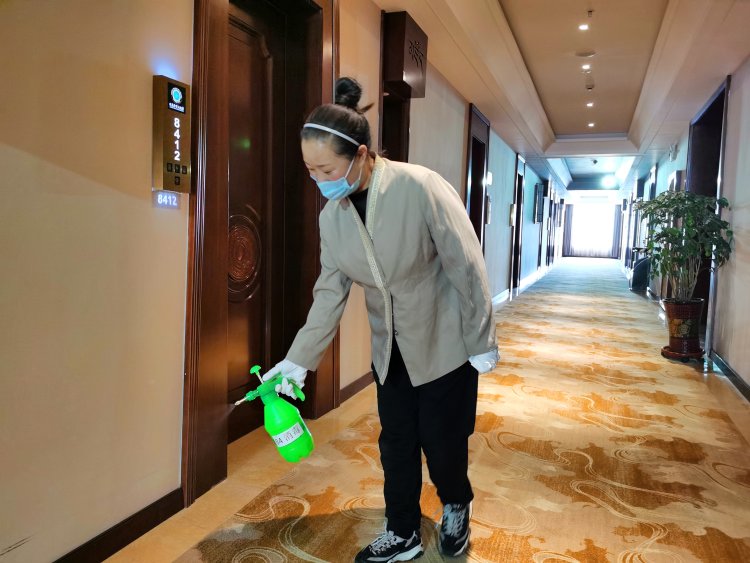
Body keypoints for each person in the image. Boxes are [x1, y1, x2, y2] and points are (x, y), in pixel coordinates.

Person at [262, 77, 498, 562]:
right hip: (390, 348)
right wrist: (298, 360)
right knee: (396, 443)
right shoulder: (333, 216)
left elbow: (466, 264)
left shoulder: (419, 186)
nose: (319, 180)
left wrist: (481, 338)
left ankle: (457, 504)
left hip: (443, 340)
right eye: (311, 170)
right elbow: (329, 292)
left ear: (361, 155)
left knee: (443, 440)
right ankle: (402, 531)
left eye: (327, 169)